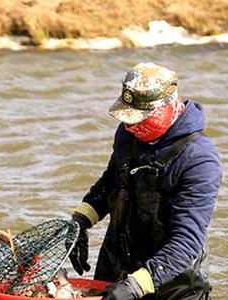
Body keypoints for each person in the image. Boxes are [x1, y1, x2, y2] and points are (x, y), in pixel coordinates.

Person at [69, 62, 222, 299]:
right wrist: (81, 220)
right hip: (117, 264)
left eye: (140, 119)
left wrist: (134, 286)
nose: (131, 126)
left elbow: (186, 241)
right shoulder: (127, 133)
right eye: (128, 118)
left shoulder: (199, 160)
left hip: (173, 281)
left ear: (170, 106)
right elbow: (112, 182)